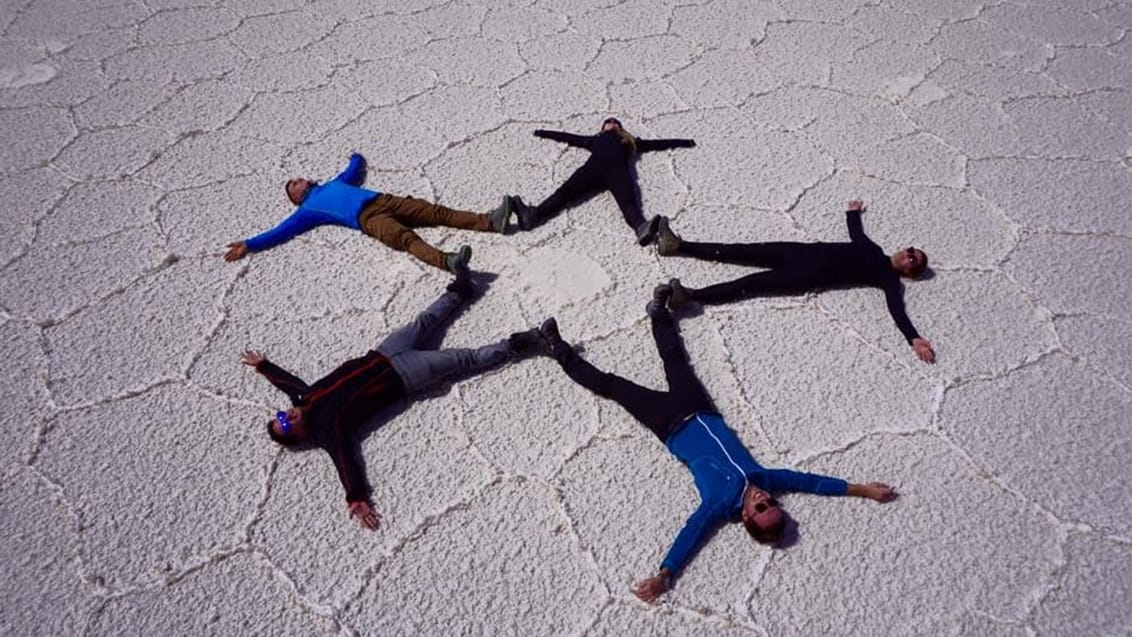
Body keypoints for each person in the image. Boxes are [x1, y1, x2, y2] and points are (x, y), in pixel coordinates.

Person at [536, 285, 897, 602]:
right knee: (676, 359)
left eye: (761, 508)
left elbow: (691, 534)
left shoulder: (718, 504)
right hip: (702, 411)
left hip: (670, 424)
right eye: (772, 504)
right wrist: (862, 489)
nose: (764, 498)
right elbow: (811, 482)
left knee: (610, 385)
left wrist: (665, 575)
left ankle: (556, 348)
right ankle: (658, 312)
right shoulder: (768, 480)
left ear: (745, 517)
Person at [241, 269, 542, 529]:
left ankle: (461, 288)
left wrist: (264, 366)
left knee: (423, 322)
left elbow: (287, 383)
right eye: (285, 424)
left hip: (384, 353)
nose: (286, 416)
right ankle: (520, 343)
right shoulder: (327, 432)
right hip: (405, 376)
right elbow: (345, 463)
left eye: (281, 415)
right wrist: (355, 497)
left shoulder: (302, 396)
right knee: (464, 359)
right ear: (300, 436)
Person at [657, 200, 936, 363]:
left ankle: (690, 296)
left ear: (909, 273)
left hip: (806, 276)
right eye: (911, 250)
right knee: (740, 250)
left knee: (751, 283)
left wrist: (913, 337)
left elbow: (896, 309)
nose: (908, 254)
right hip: (800, 252)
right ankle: (679, 246)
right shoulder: (874, 250)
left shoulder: (888, 279)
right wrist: (852, 213)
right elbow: (856, 234)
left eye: (914, 260)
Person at [224, 152, 513, 273]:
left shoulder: (335, 183)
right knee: (406, 239)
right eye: (294, 184)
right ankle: (448, 262)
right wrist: (249, 244)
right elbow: (280, 231)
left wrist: (355, 156)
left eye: (297, 179)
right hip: (369, 220)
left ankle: (491, 221)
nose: (300, 179)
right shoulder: (308, 211)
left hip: (384, 200)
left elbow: (353, 169)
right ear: (296, 198)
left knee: (436, 212)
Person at [506, 118, 696, 245]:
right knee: (563, 194)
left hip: (617, 172)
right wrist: (543, 132)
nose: (611, 123)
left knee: (628, 202)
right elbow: (569, 137)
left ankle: (641, 228)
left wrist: (684, 141)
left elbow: (658, 143)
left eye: (615, 122)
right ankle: (532, 216)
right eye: (608, 122)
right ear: (602, 128)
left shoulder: (630, 142)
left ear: (620, 128)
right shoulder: (594, 140)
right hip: (592, 170)